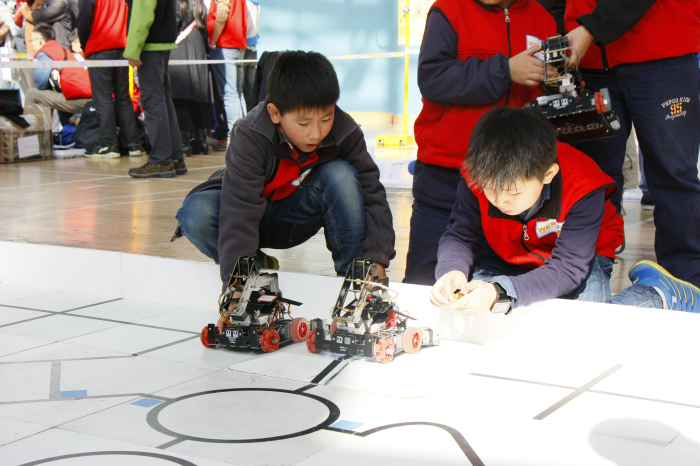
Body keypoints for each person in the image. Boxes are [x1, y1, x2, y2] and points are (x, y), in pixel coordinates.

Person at [174, 51, 396, 330]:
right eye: (304, 124)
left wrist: (376, 260)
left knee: (341, 175)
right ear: (275, 113)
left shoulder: (345, 131)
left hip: (293, 218)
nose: (316, 133)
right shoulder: (250, 133)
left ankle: (357, 288)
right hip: (249, 215)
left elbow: (372, 194)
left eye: (326, 118)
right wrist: (237, 289)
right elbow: (239, 210)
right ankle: (255, 265)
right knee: (196, 213)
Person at [430, 108, 700, 315]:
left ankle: (657, 294)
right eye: (490, 189)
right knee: (474, 311)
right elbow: (461, 236)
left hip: (580, 259)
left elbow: (569, 269)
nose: (500, 201)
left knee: (585, 323)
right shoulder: (477, 176)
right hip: (507, 252)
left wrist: (501, 291)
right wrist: (451, 270)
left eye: (513, 192)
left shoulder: (583, 185)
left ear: (548, 174)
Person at [403, 0, 557, 286]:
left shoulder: (543, 19)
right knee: (425, 280)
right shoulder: (448, 10)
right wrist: (505, 70)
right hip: (444, 174)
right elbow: (433, 78)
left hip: (507, 183)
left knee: (494, 281)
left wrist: (556, 82)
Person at [564, 0, 700, 287]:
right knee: (591, 180)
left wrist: (590, 29)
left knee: (674, 177)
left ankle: (688, 283)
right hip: (587, 60)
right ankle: (589, 279)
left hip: (661, 52)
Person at [124, 0, 187, 178]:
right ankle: (175, 158)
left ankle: (161, 159)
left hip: (150, 44)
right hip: (163, 42)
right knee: (164, 102)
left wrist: (133, 49)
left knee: (153, 103)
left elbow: (141, 14)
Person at [77, 0, 144, 159]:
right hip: (122, 48)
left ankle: (108, 144)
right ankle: (134, 144)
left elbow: (83, 20)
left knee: (103, 98)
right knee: (123, 98)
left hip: (99, 47)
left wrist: (85, 45)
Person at [170, 0, 210, 156]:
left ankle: (183, 143)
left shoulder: (179, 3)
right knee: (196, 100)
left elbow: (173, 26)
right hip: (197, 49)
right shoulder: (199, 4)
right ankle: (201, 141)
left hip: (181, 50)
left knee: (179, 99)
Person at [24, 24, 91, 115]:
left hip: (80, 98)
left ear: (40, 41)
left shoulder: (45, 52)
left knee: (31, 94)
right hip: (89, 95)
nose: (31, 44)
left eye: (31, 40)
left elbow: (40, 84)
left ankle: (30, 124)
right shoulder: (61, 49)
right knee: (57, 94)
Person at [207, 0, 247, 143]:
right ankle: (243, 136)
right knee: (237, 92)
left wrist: (213, 41)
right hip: (238, 43)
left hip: (225, 44)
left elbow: (222, 14)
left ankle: (235, 138)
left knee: (229, 93)